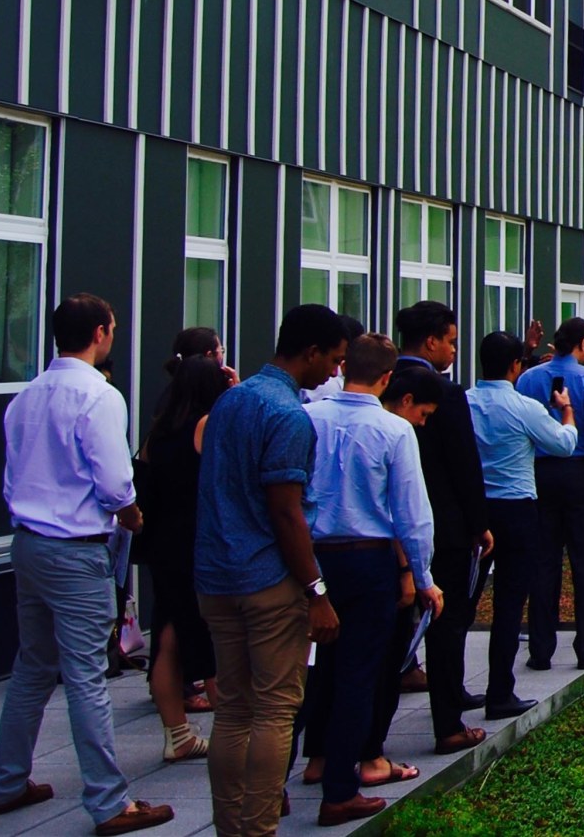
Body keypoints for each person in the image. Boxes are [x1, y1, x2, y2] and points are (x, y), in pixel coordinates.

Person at [0, 294, 176, 835]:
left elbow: (14, 471)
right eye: (112, 327)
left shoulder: (27, 396)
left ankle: (6, 781)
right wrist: (133, 514)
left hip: (28, 541)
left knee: (33, 666)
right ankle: (109, 800)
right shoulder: (99, 395)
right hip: (76, 545)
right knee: (87, 675)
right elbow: (115, 481)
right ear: (99, 332)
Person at [196, 305, 347, 837]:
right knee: (276, 711)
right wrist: (316, 590)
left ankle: (229, 827)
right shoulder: (288, 416)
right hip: (268, 581)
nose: (334, 372)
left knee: (232, 710)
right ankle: (259, 828)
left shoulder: (231, 401)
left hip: (217, 577)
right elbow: (285, 511)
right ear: (310, 352)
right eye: (332, 360)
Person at [294, 335, 439, 826]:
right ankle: (340, 788)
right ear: (386, 380)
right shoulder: (394, 430)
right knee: (360, 672)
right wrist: (423, 576)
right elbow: (411, 513)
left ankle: (301, 766)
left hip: (312, 557)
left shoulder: (307, 418)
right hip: (369, 559)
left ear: (342, 368)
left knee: (312, 668)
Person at [395, 301, 490, 753]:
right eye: (451, 341)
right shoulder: (443, 392)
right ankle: (448, 721)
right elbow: (463, 464)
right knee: (447, 624)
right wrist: (479, 522)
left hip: (383, 530)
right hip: (441, 525)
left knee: (389, 632)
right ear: (431, 341)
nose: (454, 350)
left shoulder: (383, 384)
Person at [134, 331, 234, 763]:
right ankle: (234, 736)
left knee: (169, 638)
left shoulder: (157, 434)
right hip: (199, 545)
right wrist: (234, 390)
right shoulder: (205, 425)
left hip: (162, 545)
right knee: (207, 638)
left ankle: (177, 733)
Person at [467, 333, 576, 718]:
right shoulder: (524, 406)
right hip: (516, 510)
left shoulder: (463, 402)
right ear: (516, 366)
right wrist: (566, 412)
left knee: (463, 603)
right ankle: (500, 692)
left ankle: (450, 690)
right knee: (509, 605)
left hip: (473, 512)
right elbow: (562, 444)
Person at [515, 319, 584, 672]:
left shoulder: (528, 379)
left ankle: (540, 649)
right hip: (579, 471)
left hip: (539, 472)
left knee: (544, 562)